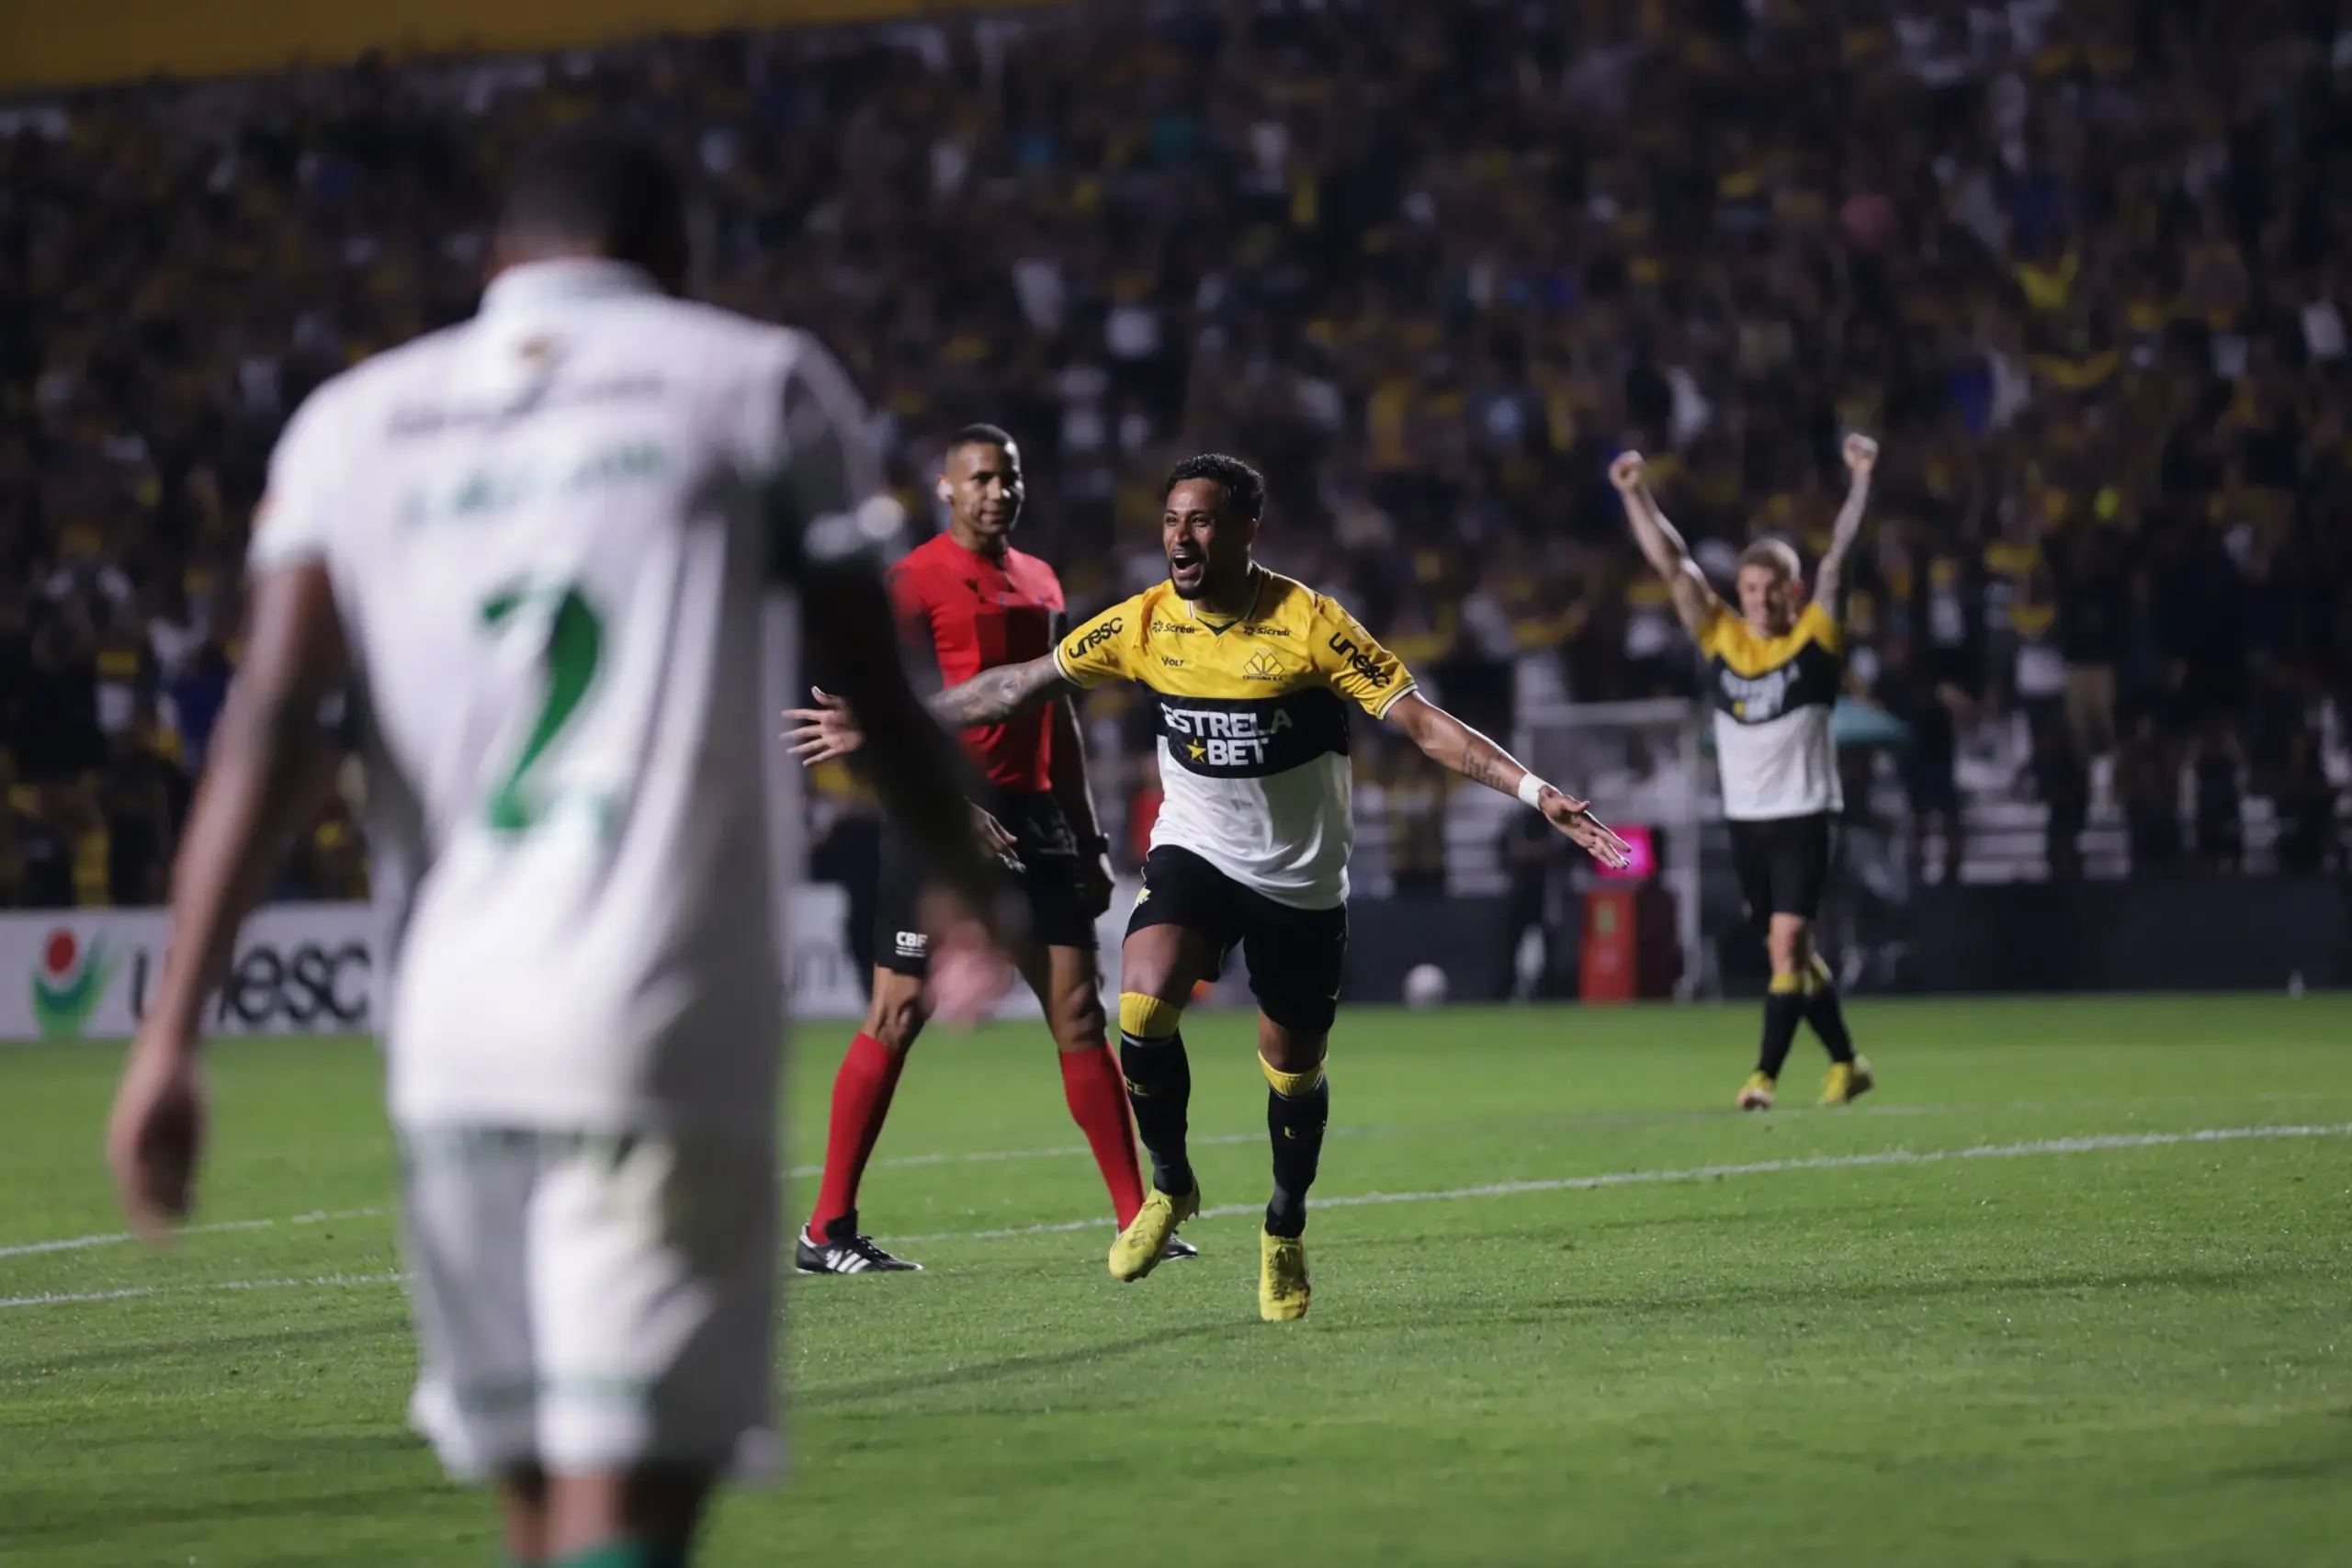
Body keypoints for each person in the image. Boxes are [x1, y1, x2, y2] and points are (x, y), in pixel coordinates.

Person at [102, 125, 1008, 1568]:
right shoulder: (754, 382)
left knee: (538, 1511)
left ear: (495, 261)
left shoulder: (353, 423)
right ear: (677, 259)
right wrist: (964, 882)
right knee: (634, 1511)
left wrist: (169, 1034)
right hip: (655, 1010)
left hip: (448, 1036)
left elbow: (270, 726)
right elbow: (878, 693)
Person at [787, 453, 1630, 1321]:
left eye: (1200, 521)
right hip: (1196, 850)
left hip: (1297, 877)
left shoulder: (1311, 624)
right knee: (1141, 1002)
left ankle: (1284, 1226)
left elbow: (1421, 723)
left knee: (1292, 1071)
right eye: (1170, 521)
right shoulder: (1146, 621)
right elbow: (1017, 686)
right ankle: (1171, 1184)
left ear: (1245, 531)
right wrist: (888, 719)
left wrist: (1536, 792)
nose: (1180, 539)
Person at [794, 424, 1193, 1275]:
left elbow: (1058, 709)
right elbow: (885, 709)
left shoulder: (1042, 579)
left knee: (1079, 1013)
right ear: (946, 487)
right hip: (937, 814)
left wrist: (1087, 835)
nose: (996, 491)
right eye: (978, 478)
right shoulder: (912, 579)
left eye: (1007, 477)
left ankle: (1138, 1219)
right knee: (898, 1011)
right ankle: (826, 1228)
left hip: (1038, 815)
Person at [1610, 435, 1879, 1111]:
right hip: (1746, 821)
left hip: (1804, 814)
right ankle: (1848, 1062)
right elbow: (1673, 564)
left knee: (1786, 947)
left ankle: (1763, 1077)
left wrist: (1860, 482)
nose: (1757, 598)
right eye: (1749, 588)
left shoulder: (1814, 638)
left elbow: (1840, 558)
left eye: (1770, 587)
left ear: (1792, 590)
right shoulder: (1722, 638)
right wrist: (1636, 493)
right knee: (1792, 954)